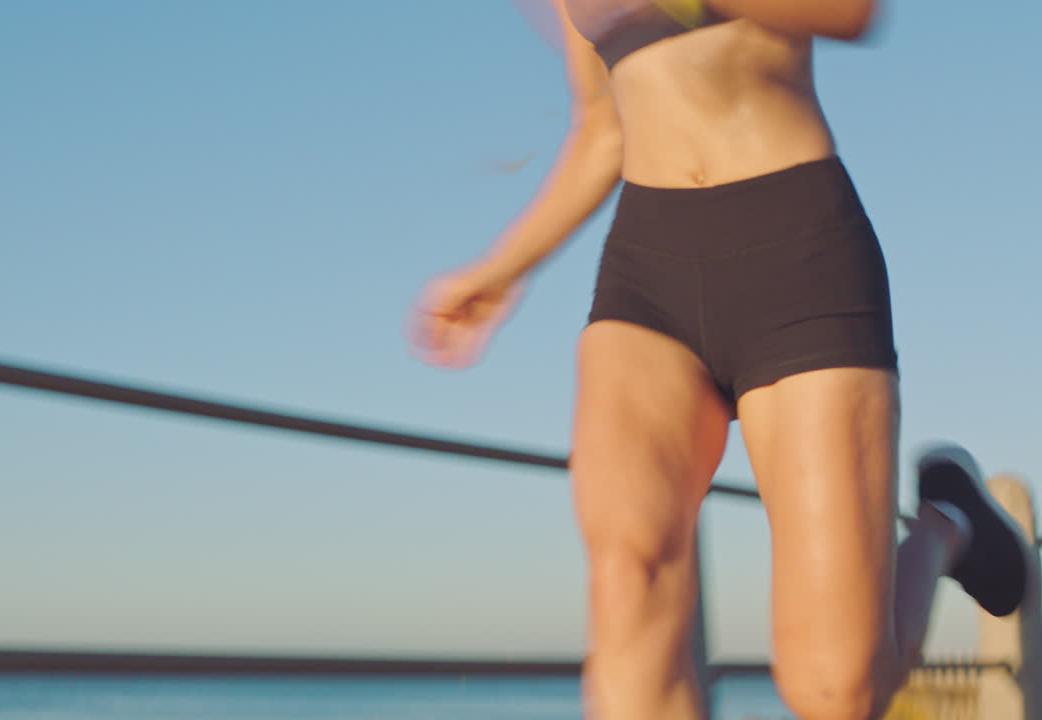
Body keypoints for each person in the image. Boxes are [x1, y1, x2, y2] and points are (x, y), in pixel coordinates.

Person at [408, 1, 1033, 718]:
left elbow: (853, 11)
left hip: (799, 251)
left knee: (837, 690)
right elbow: (604, 128)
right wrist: (501, 270)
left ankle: (945, 526)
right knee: (630, 587)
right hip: (647, 273)